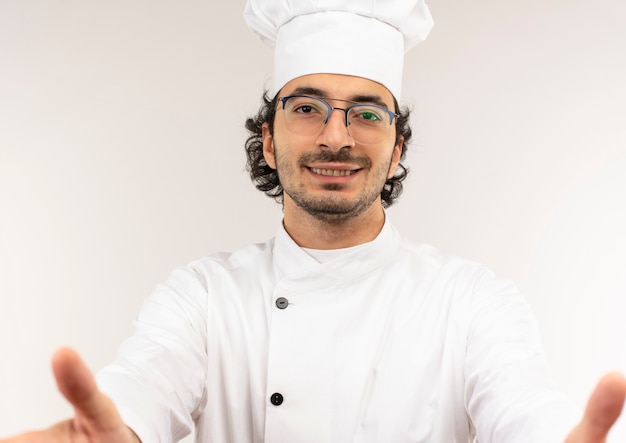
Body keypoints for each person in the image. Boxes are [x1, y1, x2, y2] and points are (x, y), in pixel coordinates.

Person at [2, 1, 625, 442]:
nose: (337, 137)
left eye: (366, 113)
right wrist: (116, 431)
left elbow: (524, 408)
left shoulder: (471, 302)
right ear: (268, 140)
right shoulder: (205, 297)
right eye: (307, 107)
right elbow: (143, 386)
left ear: (397, 147)